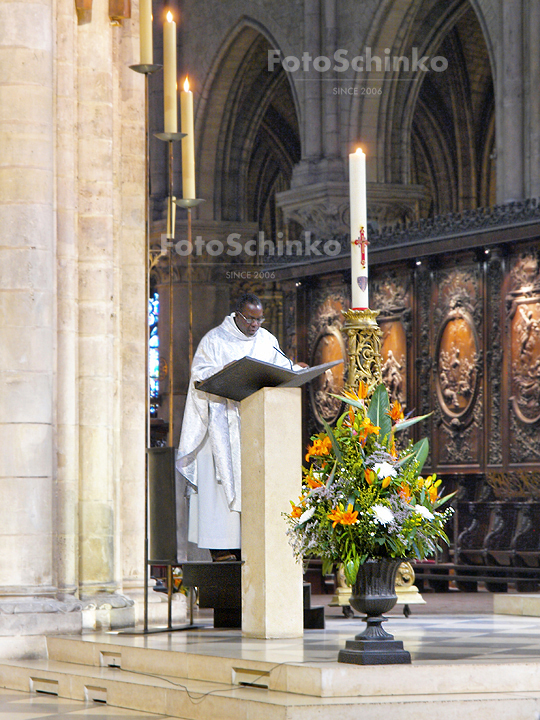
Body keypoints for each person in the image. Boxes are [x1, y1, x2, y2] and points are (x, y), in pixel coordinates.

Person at [176, 293, 299, 561]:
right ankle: (221, 551)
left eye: (259, 319)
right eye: (250, 319)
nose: (255, 324)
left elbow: (281, 368)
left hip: (256, 429)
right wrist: (225, 370)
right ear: (237, 314)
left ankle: (256, 550)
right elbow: (198, 375)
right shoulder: (214, 340)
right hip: (221, 425)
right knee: (219, 494)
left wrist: (294, 370)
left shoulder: (268, 341)